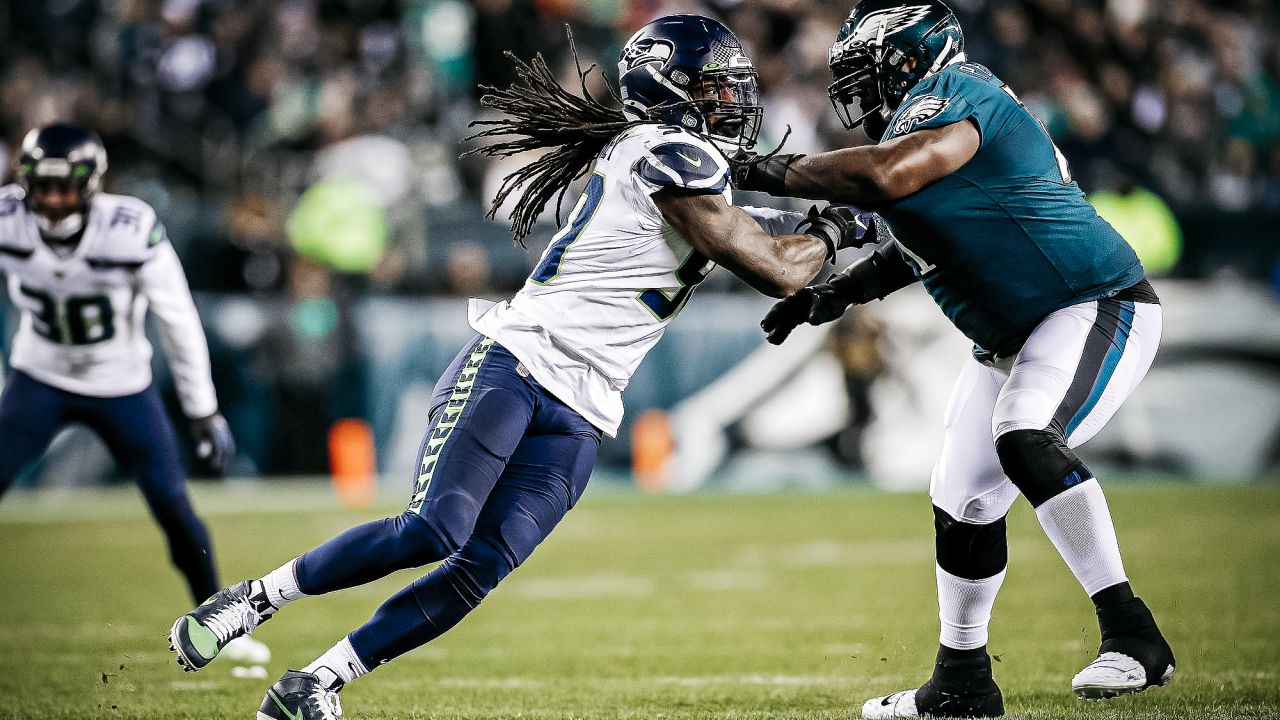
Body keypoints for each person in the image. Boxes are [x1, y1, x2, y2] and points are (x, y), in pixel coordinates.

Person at [166, 15, 876, 720]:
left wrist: (848, 215)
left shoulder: (690, 169)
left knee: (477, 571)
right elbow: (774, 266)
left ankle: (316, 682)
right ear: (670, 91)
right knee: (434, 529)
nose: (734, 104)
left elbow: (762, 225)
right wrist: (836, 226)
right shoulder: (664, 151)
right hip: (521, 363)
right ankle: (254, 599)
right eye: (718, 90)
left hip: (588, 408)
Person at [732, 2, 1174, 717]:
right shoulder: (915, 143)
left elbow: (892, 175)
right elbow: (915, 246)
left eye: (863, 72)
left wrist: (760, 169)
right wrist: (832, 296)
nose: (855, 91)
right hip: (1012, 336)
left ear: (909, 58)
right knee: (963, 498)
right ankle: (962, 682)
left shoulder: (960, 94)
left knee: (1024, 433)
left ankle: (1134, 634)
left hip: (1093, 301)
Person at [0, 123, 268, 666]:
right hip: (38, 375)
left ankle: (222, 625)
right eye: (43, 186)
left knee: (173, 504)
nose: (52, 201)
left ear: (92, 184)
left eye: (65, 186)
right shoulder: (7, 216)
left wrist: (203, 410)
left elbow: (178, 318)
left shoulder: (128, 227)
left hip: (120, 384)